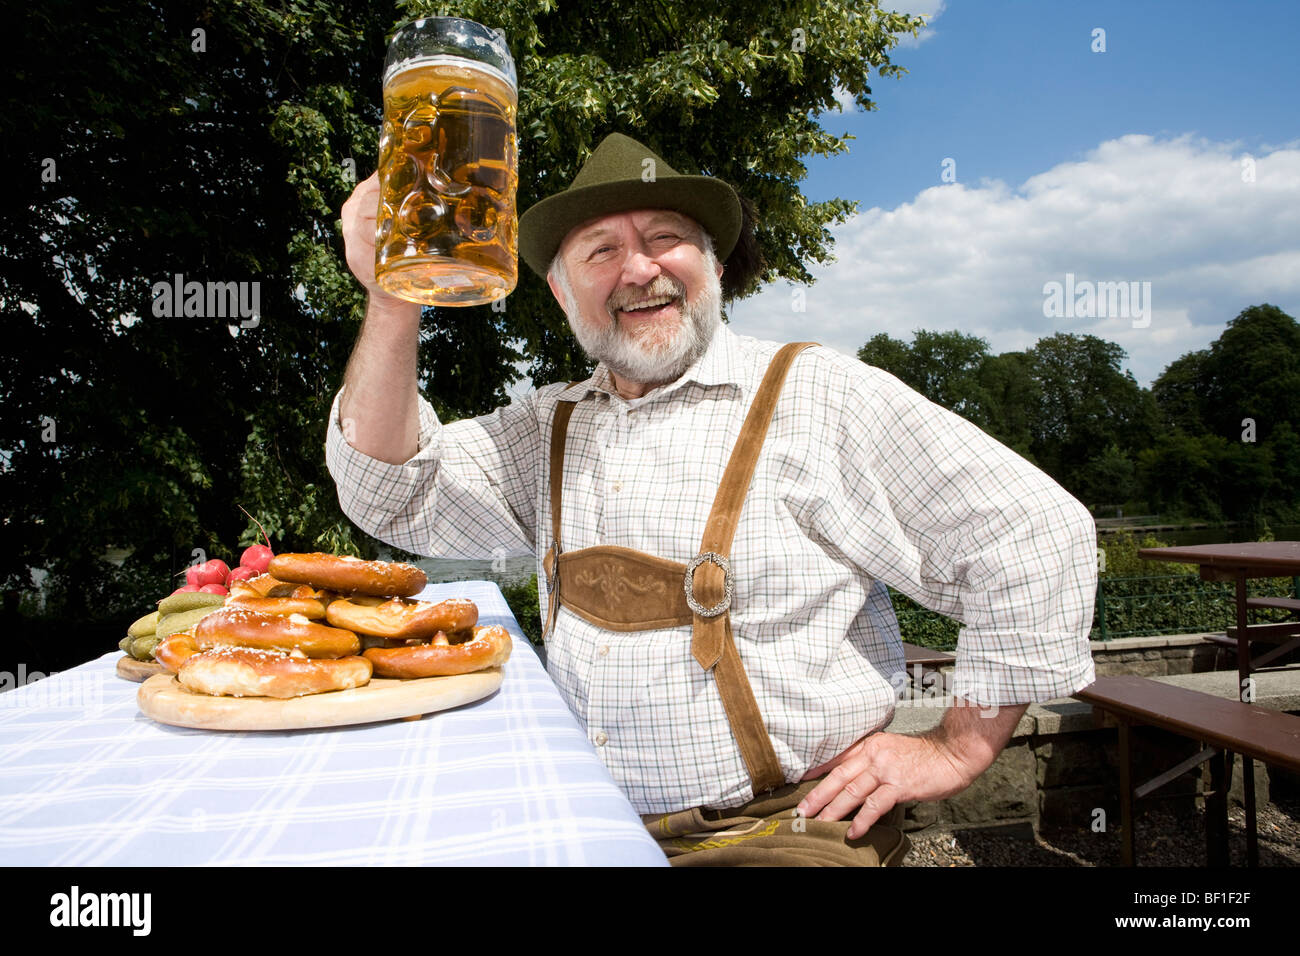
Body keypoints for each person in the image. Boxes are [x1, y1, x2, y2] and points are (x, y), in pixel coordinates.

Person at [327, 133, 1098, 866]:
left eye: (665, 237)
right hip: (590, 822)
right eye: (601, 250)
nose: (638, 269)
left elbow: (1036, 534)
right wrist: (394, 296)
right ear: (562, 292)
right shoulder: (549, 423)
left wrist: (955, 746)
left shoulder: (816, 394)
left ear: (716, 267)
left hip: (784, 834)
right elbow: (391, 489)